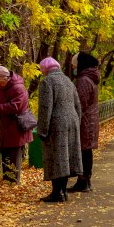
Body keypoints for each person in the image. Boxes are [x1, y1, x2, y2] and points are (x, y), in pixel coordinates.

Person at [36, 57, 83, 203]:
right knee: (66, 157)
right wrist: (76, 122)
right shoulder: (68, 81)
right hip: (72, 121)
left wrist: (42, 130)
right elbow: (78, 105)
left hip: (56, 124)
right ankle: (63, 191)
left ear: (45, 69)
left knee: (56, 157)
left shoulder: (47, 82)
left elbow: (45, 108)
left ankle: (57, 193)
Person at [0, 65, 33, 183]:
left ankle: (13, 181)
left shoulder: (18, 88)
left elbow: (15, 106)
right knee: (5, 152)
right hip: (6, 126)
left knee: (14, 153)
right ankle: (7, 179)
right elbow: (3, 102)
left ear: (5, 78)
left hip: (16, 126)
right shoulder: (2, 87)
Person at [69, 51, 100, 193]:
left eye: (74, 65)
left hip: (85, 122)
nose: (72, 67)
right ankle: (85, 180)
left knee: (83, 151)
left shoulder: (83, 80)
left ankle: (83, 181)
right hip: (90, 120)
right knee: (86, 151)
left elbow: (80, 103)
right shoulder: (90, 78)